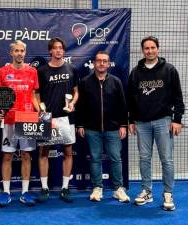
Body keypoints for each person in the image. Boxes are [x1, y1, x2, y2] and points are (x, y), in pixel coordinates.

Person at [128, 36, 184, 211]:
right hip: (141, 123)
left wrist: (177, 120)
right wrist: (130, 120)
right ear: (142, 50)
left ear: (158, 49)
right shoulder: (135, 73)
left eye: (153, 47)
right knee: (144, 158)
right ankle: (146, 191)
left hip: (163, 121)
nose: (150, 51)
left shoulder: (169, 70)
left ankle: (168, 193)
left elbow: (178, 98)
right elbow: (130, 99)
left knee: (166, 159)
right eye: (146, 48)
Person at [77, 51, 130, 203]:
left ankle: (118, 189)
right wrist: (80, 124)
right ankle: (97, 188)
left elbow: (122, 105)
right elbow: (80, 106)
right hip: (91, 129)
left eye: (104, 61)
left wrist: (123, 124)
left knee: (115, 158)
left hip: (113, 128)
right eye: (99, 61)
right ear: (94, 63)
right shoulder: (85, 82)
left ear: (108, 63)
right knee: (95, 158)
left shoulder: (116, 81)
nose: (101, 63)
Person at [0, 40, 40, 207]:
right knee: (7, 156)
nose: (20, 53)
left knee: (26, 156)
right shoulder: (2, 72)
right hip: (8, 120)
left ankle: (24, 193)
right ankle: (6, 193)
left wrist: (39, 111)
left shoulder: (32, 71)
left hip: (28, 119)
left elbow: (34, 95)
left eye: (22, 51)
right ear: (11, 53)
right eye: (17, 51)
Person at [36, 37, 78, 202]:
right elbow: (36, 94)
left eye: (61, 48)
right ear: (50, 51)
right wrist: (39, 106)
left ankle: (65, 188)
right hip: (47, 117)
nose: (58, 50)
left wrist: (73, 103)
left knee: (68, 152)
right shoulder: (42, 71)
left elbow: (76, 91)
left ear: (64, 50)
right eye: (55, 48)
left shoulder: (72, 69)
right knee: (43, 152)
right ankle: (45, 188)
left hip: (67, 117)